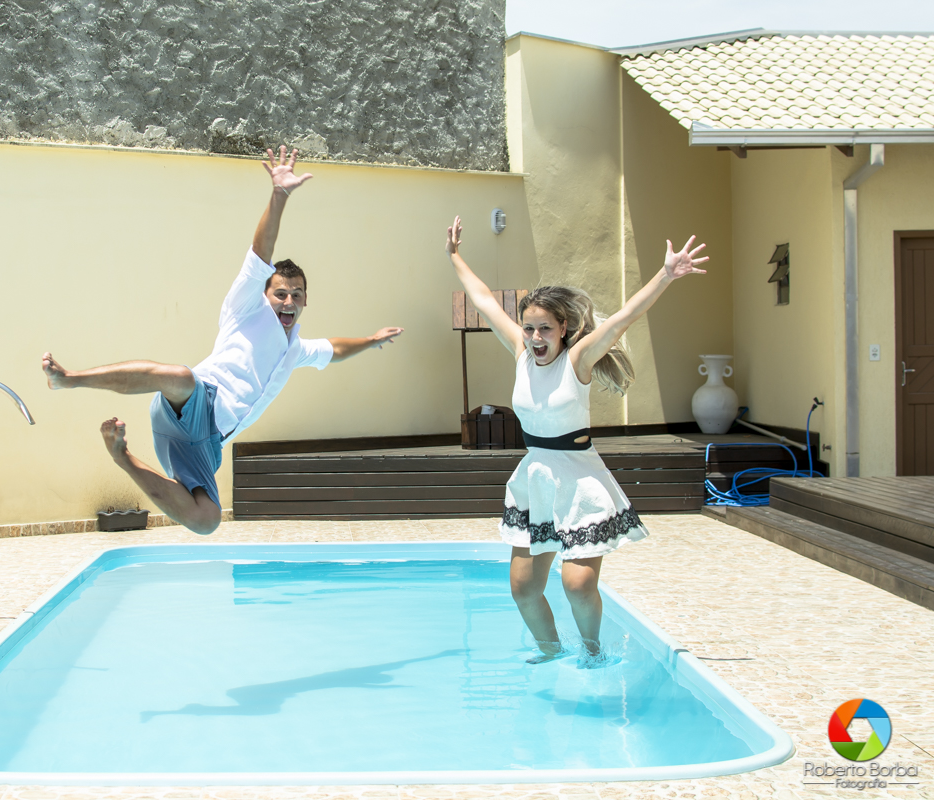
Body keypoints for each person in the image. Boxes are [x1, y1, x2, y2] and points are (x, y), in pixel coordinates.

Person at [42, 147, 403, 535]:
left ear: (305, 302)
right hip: (196, 404)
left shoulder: (295, 349)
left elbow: (334, 350)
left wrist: (371, 340)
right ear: (265, 294)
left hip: (207, 444)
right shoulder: (245, 307)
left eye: (297, 295)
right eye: (281, 293)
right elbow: (260, 253)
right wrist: (279, 195)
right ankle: (70, 379)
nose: (288, 301)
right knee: (181, 376)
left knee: (207, 520)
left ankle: (122, 456)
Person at [444, 215, 707, 665]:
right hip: (536, 479)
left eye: (545, 328)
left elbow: (624, 318)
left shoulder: (577, 360)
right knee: (523, 588)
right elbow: (484, 300)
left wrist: (665, 275)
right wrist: (454, 256)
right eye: (529, 328)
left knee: (578, 584)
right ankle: (551, 652)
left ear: (563, 328)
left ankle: (593, 653)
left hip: (580, 480)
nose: (534, 337)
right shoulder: (521, 354)